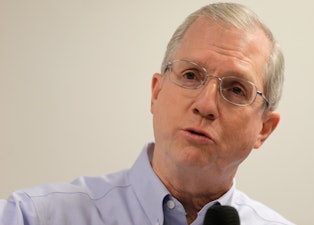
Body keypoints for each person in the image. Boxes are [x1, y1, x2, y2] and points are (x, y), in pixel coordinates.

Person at [0, 3, 294, 225]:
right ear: (156, 92)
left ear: (264, 129)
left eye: (236, 90)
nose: (205, 105)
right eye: (191, 75)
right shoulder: (33, 216)